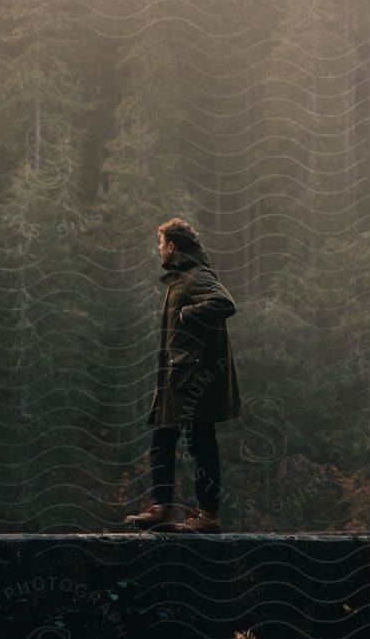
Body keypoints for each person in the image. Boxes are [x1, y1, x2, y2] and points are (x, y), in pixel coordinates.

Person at [122, 217, 242, 533]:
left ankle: (208, 517)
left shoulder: (196, 276)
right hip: (180, 377)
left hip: (194, 380)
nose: (159, 250)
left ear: (171, 247)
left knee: (200, 442)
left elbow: (225, 303)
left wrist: (188, 314)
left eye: (160, 244)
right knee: (163, 436)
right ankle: (163, 508)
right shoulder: (181, 278)